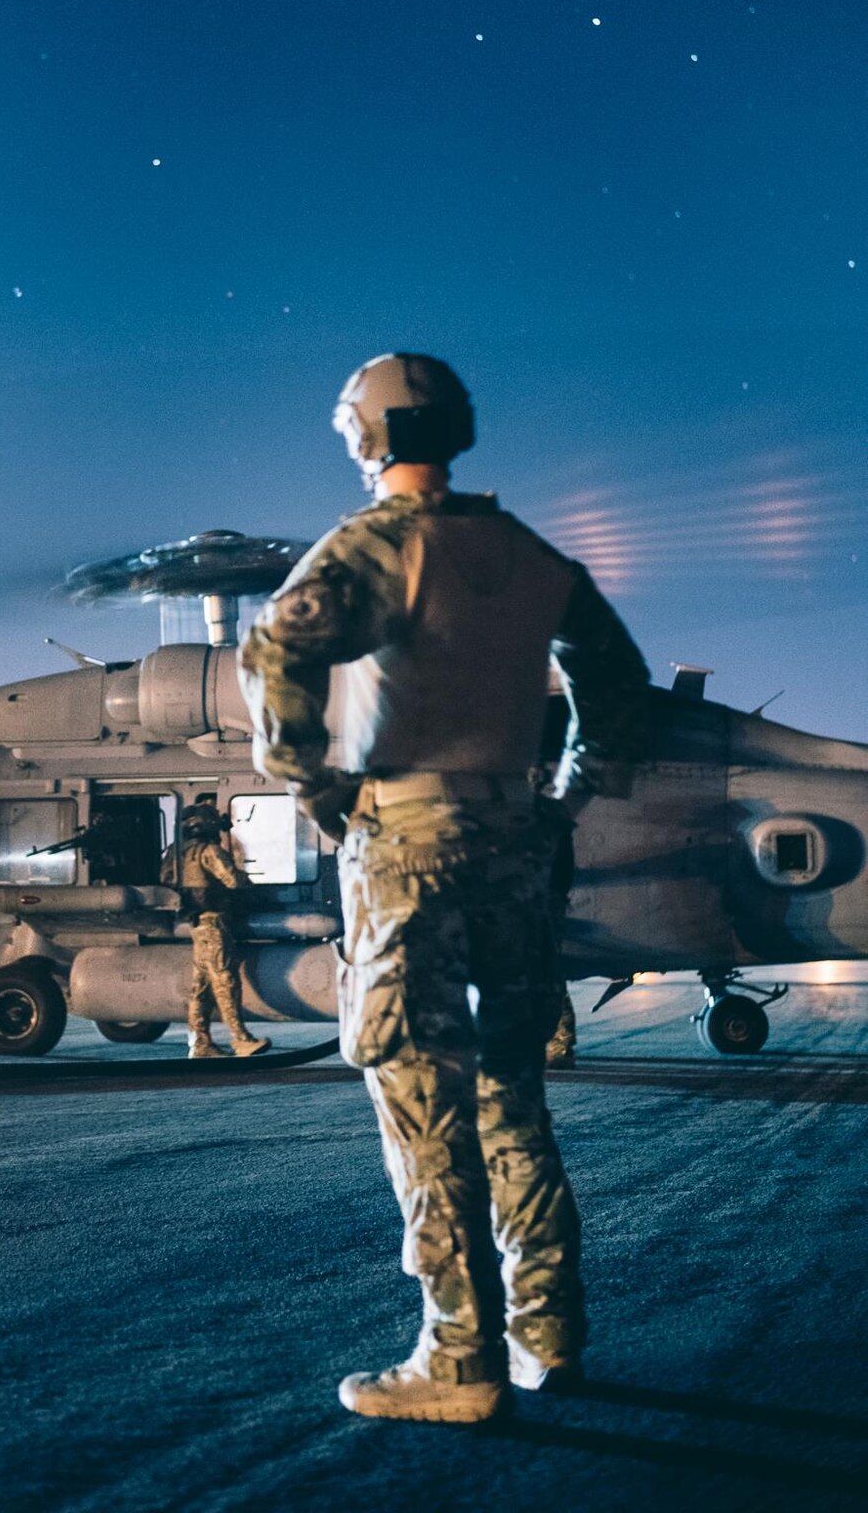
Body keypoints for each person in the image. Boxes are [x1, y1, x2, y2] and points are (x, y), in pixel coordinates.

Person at [239, 353, 650, 1423]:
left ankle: (456, 1356)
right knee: (513, 1089)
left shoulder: (377, 547)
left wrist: (316, 786)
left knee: (422, 1097)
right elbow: (615, 681)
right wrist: (566, 795)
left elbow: (274, 645)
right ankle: (547, 1332)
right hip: (512, 844)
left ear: (371, 436)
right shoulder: (530, 553)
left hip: (405, 846)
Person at [179, 796, 271, 1061]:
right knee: (225, 982)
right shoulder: (209, 852)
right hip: (214, 924)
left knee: (202, 987)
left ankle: (200, 1043)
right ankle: (240, 1040)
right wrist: (251, 882)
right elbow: (233, 880)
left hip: (196, 924)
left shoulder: (181, 852)